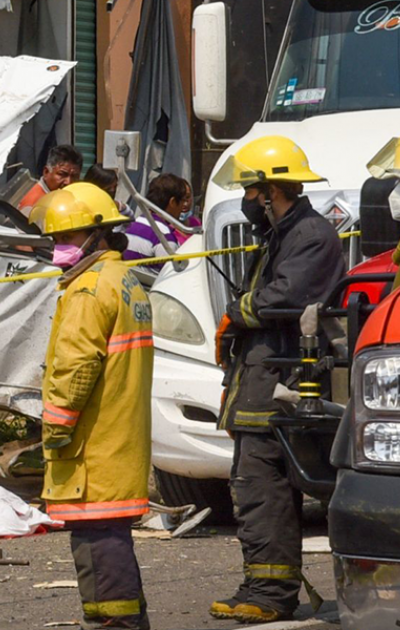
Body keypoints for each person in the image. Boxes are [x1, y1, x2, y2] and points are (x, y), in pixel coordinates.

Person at [210, 136, 345, 624]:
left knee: (264, 487)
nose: (247, 200)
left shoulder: (310, 235)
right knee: (254, 488)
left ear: (271, 190)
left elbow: (285, 297)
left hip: (283, 381)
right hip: (262, 377)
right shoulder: (279, 235)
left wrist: (235, 313)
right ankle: (262, 586)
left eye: (251, 190)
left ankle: (271, 594)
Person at [31, 182, 154, 630]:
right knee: (113, 544)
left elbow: (75, 367)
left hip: (93, 449)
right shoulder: (125, 280)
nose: (58, 248)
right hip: (119, 441)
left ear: (97, 234)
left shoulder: (87, 290)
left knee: (99, 552)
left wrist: (54, 428)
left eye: (67, 237)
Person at [123, 173, 192, 270]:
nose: (183, 207)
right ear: (172, 202)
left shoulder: (135, 223)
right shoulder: (165, 238)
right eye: (182, 201)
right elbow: (171, 274)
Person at [20, 144, 84, 218]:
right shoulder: (34, 206)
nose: (68, 182)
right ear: (46, 172)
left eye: (74, 176)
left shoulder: (70, 199)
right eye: (62, 174)